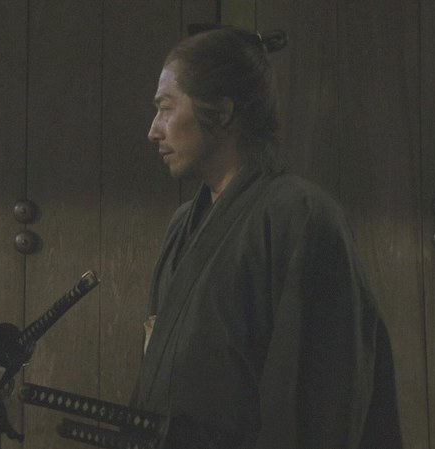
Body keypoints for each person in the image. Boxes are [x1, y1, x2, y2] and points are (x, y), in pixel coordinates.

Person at [131, 26, 403, 448]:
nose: (154, 130)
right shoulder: (184, 224)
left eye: (166, 108)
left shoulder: (301, 217)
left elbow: (322, 399)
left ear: (221, 112)